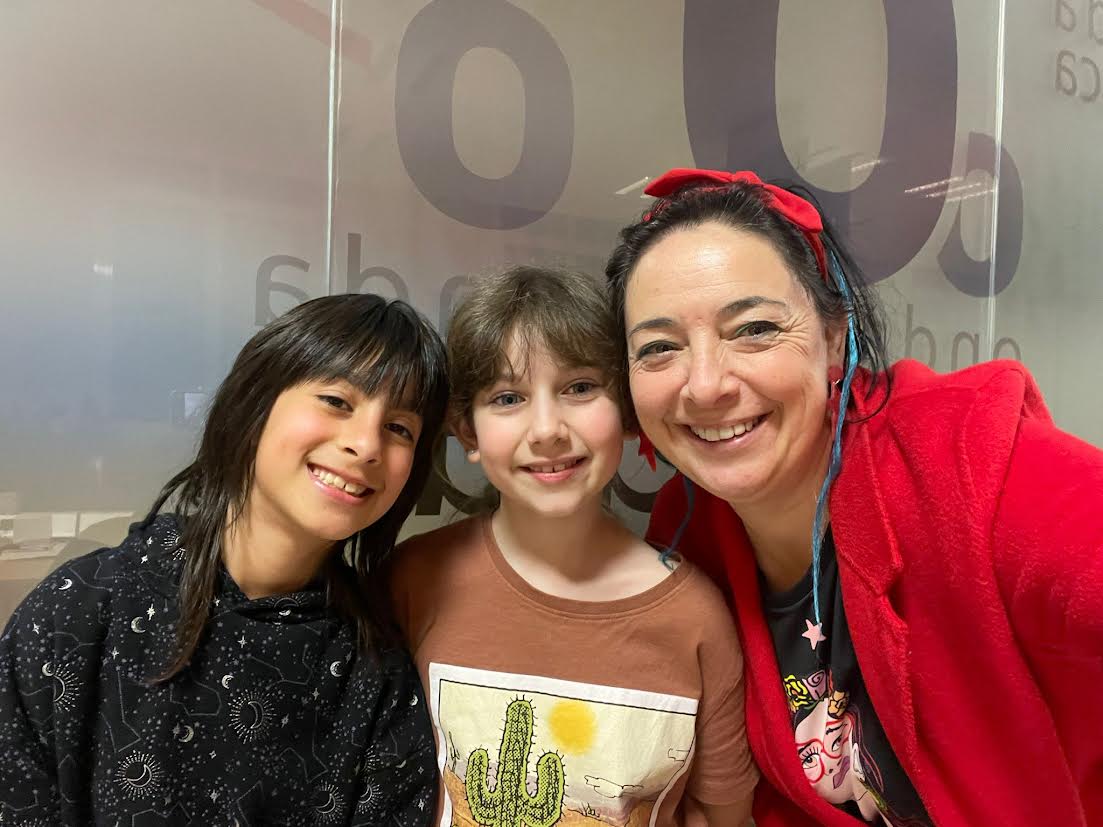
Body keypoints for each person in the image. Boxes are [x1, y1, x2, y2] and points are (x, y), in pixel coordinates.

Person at [605, 167, 1103, 827]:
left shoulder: (960, 461)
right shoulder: (687, 528)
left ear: (834, 339)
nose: (704, 384)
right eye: (659, 348)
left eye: (752, 329)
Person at [0, 294, 449, 825]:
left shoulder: (375, 670)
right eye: (336, 400)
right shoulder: (78, 611)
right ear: (253, 404)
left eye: (399, 428)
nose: (366, 445)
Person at [390, 266, 758, 827]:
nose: (547, 430)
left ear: (628, 412)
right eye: (507, 397)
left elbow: (720, 815)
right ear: (467, 431)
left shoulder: (695, 618)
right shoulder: (415, 579)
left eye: (580, 388)